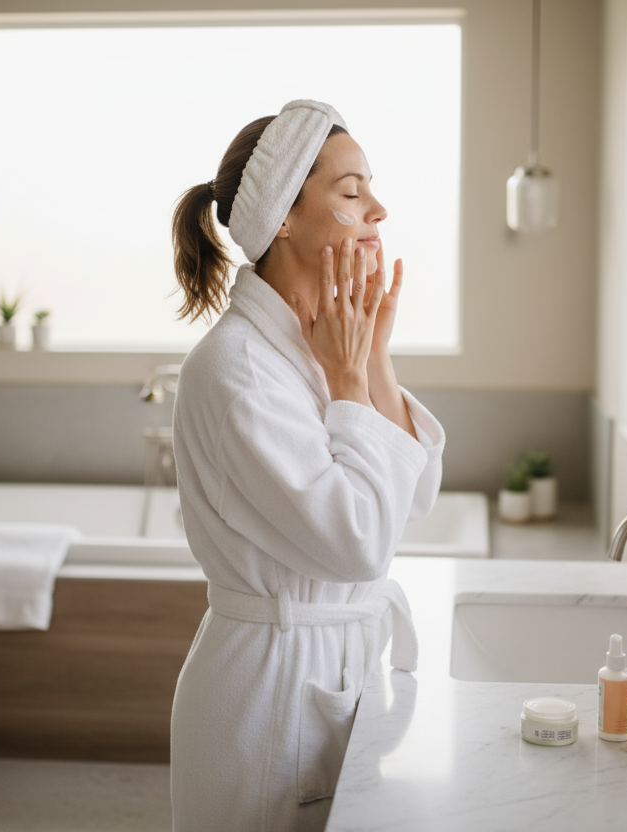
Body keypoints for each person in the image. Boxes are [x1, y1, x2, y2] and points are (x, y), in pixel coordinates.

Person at [167, 99, 445, 831]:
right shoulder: (238, 370)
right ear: (283, 219)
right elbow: (358, 544)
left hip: (329, 667)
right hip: (268, 692)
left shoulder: (318, 344)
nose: (378, 210)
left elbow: (414, 496)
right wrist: (351, 383)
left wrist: (372, 355)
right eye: (352, 192)